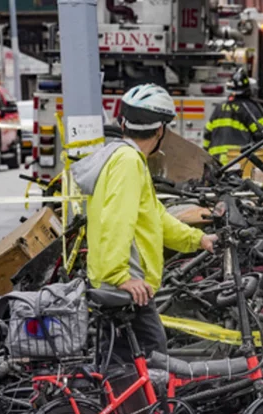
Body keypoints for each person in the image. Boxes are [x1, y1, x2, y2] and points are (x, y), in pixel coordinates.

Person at [72, 84, 218, 362]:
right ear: (161, 130)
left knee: (121, 363)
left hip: (118, 283)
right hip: (126, 287)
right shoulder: (127, 162)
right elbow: (118, 220)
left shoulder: (122, 157)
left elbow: (155, 216)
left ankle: (110, 404)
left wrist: (198, 240)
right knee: (151, 358)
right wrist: (121, 276)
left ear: (123, 122)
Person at [203, 68, 263, 165]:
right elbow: (262, 135)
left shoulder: (219, 108)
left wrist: (205, 153)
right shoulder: (249, 108)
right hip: (238, 159)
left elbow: (207, 134)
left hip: (216, 160)